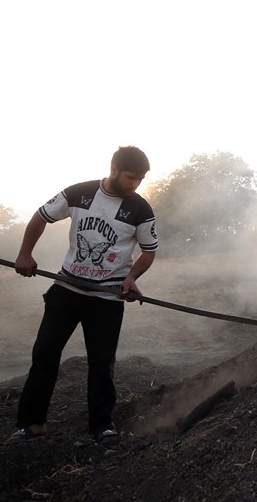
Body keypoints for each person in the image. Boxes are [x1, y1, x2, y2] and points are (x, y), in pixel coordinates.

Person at [10, 145, 158, 442]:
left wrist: (131, 278)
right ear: (114, 169)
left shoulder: (141, 209)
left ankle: (102, 426)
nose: (135, 184)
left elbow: (149, 251)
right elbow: (40, 217)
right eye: (130, 177)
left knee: (102, 364)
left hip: (106, 298)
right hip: (66, 289)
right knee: (44, 355)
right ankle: (33, 423)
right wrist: (25, 254)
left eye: (140, 179)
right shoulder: (79, 193)